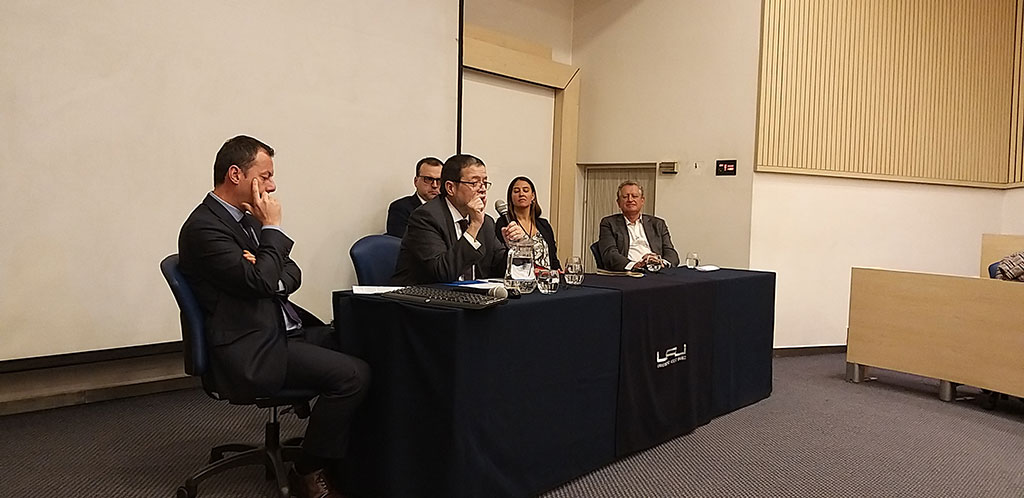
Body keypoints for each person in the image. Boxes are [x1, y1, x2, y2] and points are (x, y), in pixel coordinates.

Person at [178, 135, 368, 498]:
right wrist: (272, 233)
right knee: (353, 375)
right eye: (265, 176)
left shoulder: (247, 219)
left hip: (279, 329)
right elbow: (263, 279)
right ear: (236, 174)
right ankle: (308, 471)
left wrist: (266, 268)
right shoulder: (205, 228)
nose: (272, 185)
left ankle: (350, 460)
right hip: (252, 347)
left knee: (370, 347)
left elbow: (289, 272)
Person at [392, 154, 525, 285]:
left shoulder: (486, 222)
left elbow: (500, 268)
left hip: (470, 295)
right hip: (423, 295)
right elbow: (443, 272)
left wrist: (515, 248)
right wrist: (474, 227)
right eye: (474, 183)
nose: (483, 189)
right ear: (450, 188)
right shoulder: (425, 217)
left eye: (484, 183)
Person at [597, 180, 680, 271]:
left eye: (634, 196)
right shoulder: (609, 223)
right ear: (618, 203)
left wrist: (660, 262)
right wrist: (636, 265)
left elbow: (671, 253)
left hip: (657, 270)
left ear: (642, 201)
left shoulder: (658, 224)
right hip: (629, 273)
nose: (630, 200)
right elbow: (609, 254)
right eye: (625, 197)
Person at [494, 176, 560, 270]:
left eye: (525, 190)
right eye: (516, 191)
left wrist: (560, 274)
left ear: (533, 196)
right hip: (519, 276)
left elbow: (553, 258)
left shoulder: (544, 225)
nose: (521, 194)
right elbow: (499, 259)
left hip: (546, 277)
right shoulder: (505, 223)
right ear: (511, 197)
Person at [385, 157, 443, 237]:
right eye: (428, 179)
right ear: (416, 181)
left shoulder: (448, 208)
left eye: (439, 180)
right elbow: (401, 241)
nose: (435, 185)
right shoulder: (400, 208)